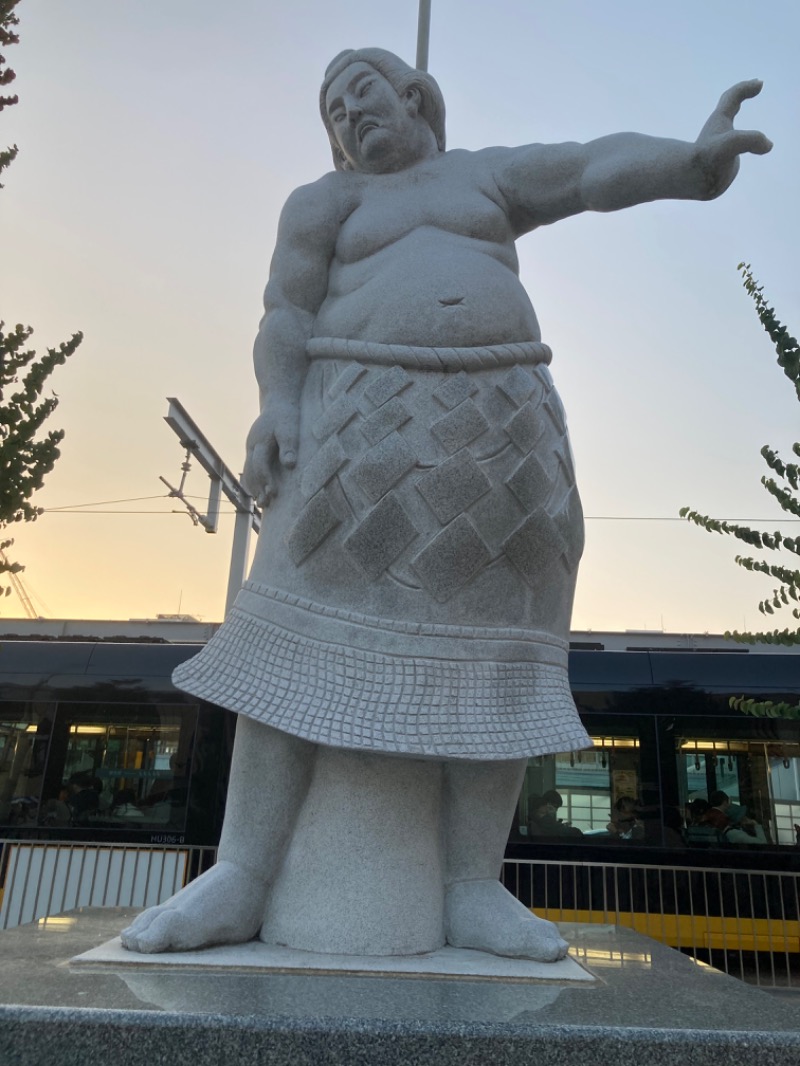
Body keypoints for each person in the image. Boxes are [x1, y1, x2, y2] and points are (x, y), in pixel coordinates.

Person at [121, 48, 770, 960]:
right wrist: (277, 403)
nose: (350, 118)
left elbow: (589, 167)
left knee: (504, 659)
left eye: (363, 95)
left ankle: (472, 883)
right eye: (334, 112)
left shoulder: (485, 177)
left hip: (506, 429)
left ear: (415, 95)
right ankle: (243, 873)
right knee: (285, 642)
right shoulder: (326, 203)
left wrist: (690, 166)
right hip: (360, 420)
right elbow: (285, 315)